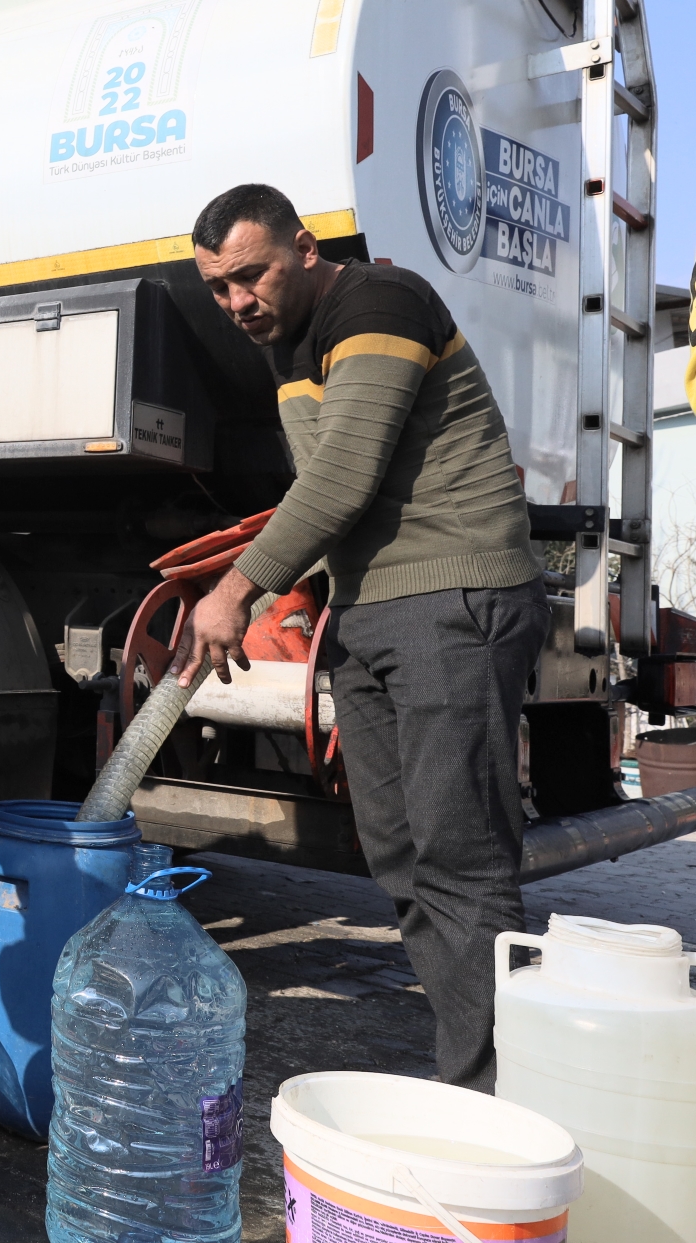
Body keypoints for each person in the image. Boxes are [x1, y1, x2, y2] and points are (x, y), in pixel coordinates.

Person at [180, 183, 548, 1092]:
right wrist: (297, 597)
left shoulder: (380, 301)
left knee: (459, 855)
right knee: (398, 850)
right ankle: (479, 1066)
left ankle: (504, 1096)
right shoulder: (289, 344)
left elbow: (341, 476)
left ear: (306, 248)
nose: (238, 302)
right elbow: (332, 493)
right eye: (219, 287)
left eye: (252, 274)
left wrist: (237, 589)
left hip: (452, 595)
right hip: (371, 608)